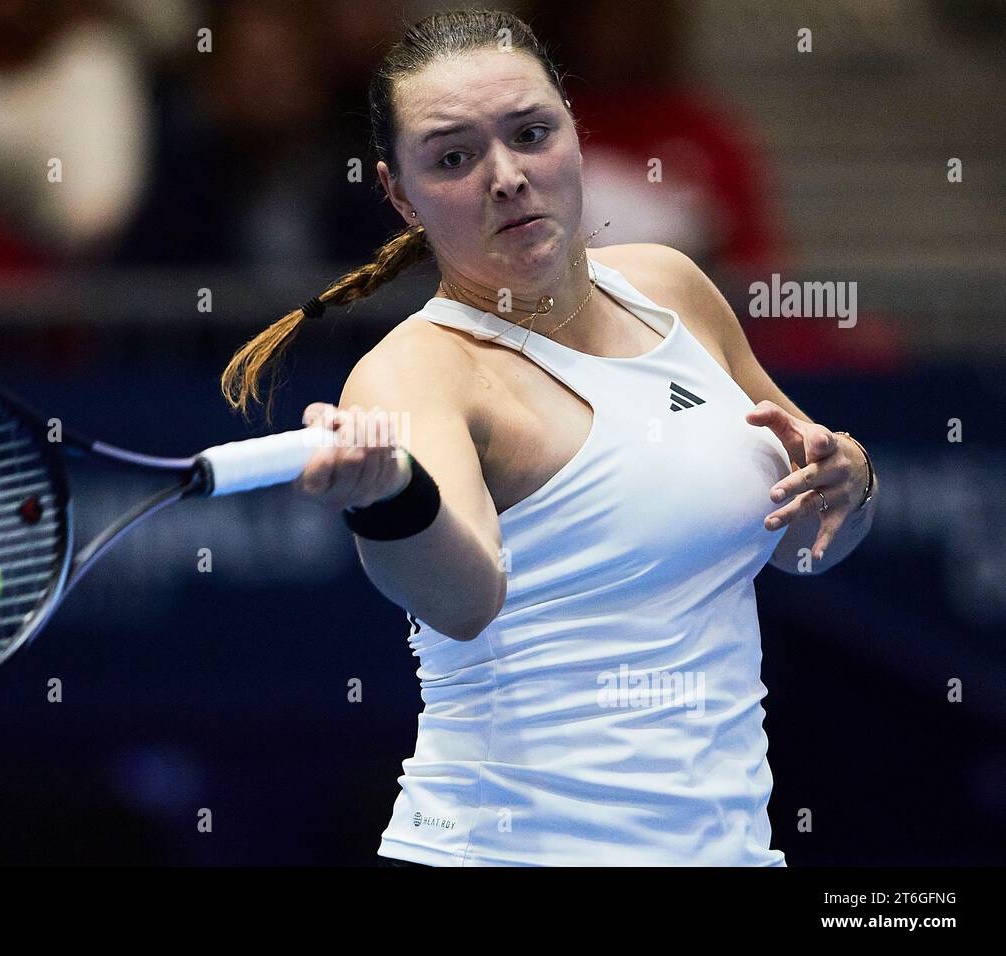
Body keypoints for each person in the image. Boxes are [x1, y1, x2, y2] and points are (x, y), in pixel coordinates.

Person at [220, 8, 878, 867]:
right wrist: (388, 499)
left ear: (572, 126)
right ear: (399, 193)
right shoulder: (419, 372)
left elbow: (809, 537)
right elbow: (462, 600)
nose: (506, 177)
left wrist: (850, 477)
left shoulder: (670, 286)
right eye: (453, 157)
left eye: (530, 133)